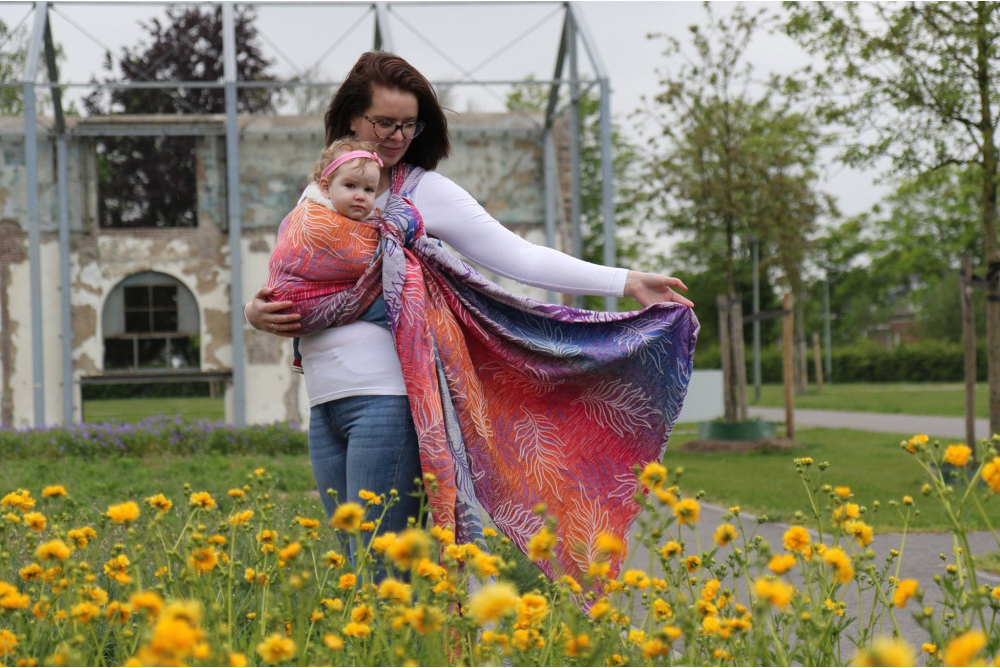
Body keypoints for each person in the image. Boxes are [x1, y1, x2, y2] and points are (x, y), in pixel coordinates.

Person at [246, 51, 699, 588]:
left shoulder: (422, 192)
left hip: (388, 401)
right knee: (352, 565)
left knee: (381, 570)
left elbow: (518, 256)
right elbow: (295, 276)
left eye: (409, 125)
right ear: (351, 117)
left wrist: (625, 281)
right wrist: (256, 311)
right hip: (324, 401)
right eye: (384, 122)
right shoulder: (321, 190)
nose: (397, 137)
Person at [265, 138, 383, 373]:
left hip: (295, 311)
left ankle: (299, 355)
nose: (361, 196)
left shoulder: (345, 214)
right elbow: (359, 259)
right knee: (388, 306)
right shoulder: (315, 217)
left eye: (369, 190)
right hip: (295, 302)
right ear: (326, 188)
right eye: (351, 186)